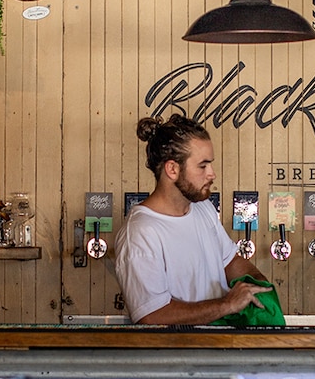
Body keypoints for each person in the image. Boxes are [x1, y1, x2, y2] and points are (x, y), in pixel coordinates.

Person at [114, 114, 272, 325]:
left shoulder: (203, 208)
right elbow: (151, 316)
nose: (212, 174)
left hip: (216, 353)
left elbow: (231, 261)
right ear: (172, 169)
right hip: (181, 356)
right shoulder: (141, 232)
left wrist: (259, 285)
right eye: (202, 166)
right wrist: (227, 305)